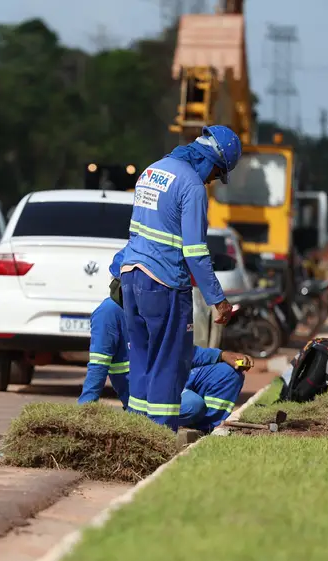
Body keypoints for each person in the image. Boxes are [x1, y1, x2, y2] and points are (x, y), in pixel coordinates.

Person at [117, 125, 243, 432]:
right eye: (216, 172)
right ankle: (159, 438)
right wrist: (219, 301)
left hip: (131, 278)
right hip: (164, 283)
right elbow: (196, 251)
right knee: (169, 365)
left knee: (142, 362)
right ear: (211, 160)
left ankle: (134, 435)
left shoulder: (151, 172)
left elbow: (136, 232)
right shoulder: (191, 185)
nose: (212, 180)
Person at [78, 252, 252, 432]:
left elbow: (179, 351)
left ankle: (207, 429)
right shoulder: (108, 313)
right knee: (192, 405)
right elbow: (98, 366)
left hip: (172, 377)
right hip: (144, 391)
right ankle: (153, 423)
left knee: (227, 374)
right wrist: (85, 410)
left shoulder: (153, 306)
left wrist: (221, 355)